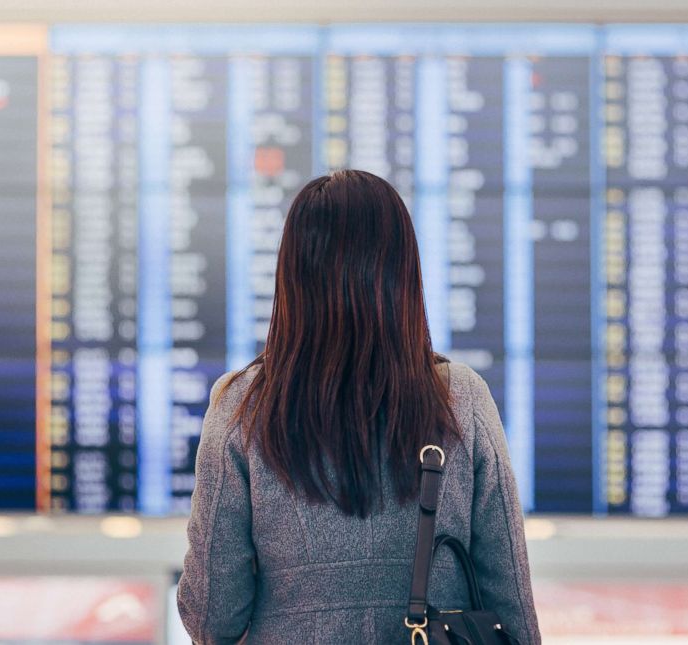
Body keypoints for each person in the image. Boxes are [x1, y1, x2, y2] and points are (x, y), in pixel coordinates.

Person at [177, 169, 541, 644]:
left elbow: (211, 615)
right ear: (403, 273)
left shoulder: (242, 409)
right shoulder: (460, 399)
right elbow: (511, 599)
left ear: (291, 274)